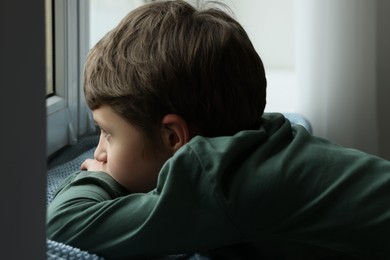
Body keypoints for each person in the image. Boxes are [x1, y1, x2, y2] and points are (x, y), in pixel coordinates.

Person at [46, 1, 390, 259]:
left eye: (108, 133)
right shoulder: (260, 141)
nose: (99, 153)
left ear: (173, 138)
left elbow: (63, 224)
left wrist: (98, 177)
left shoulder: (217, 179)